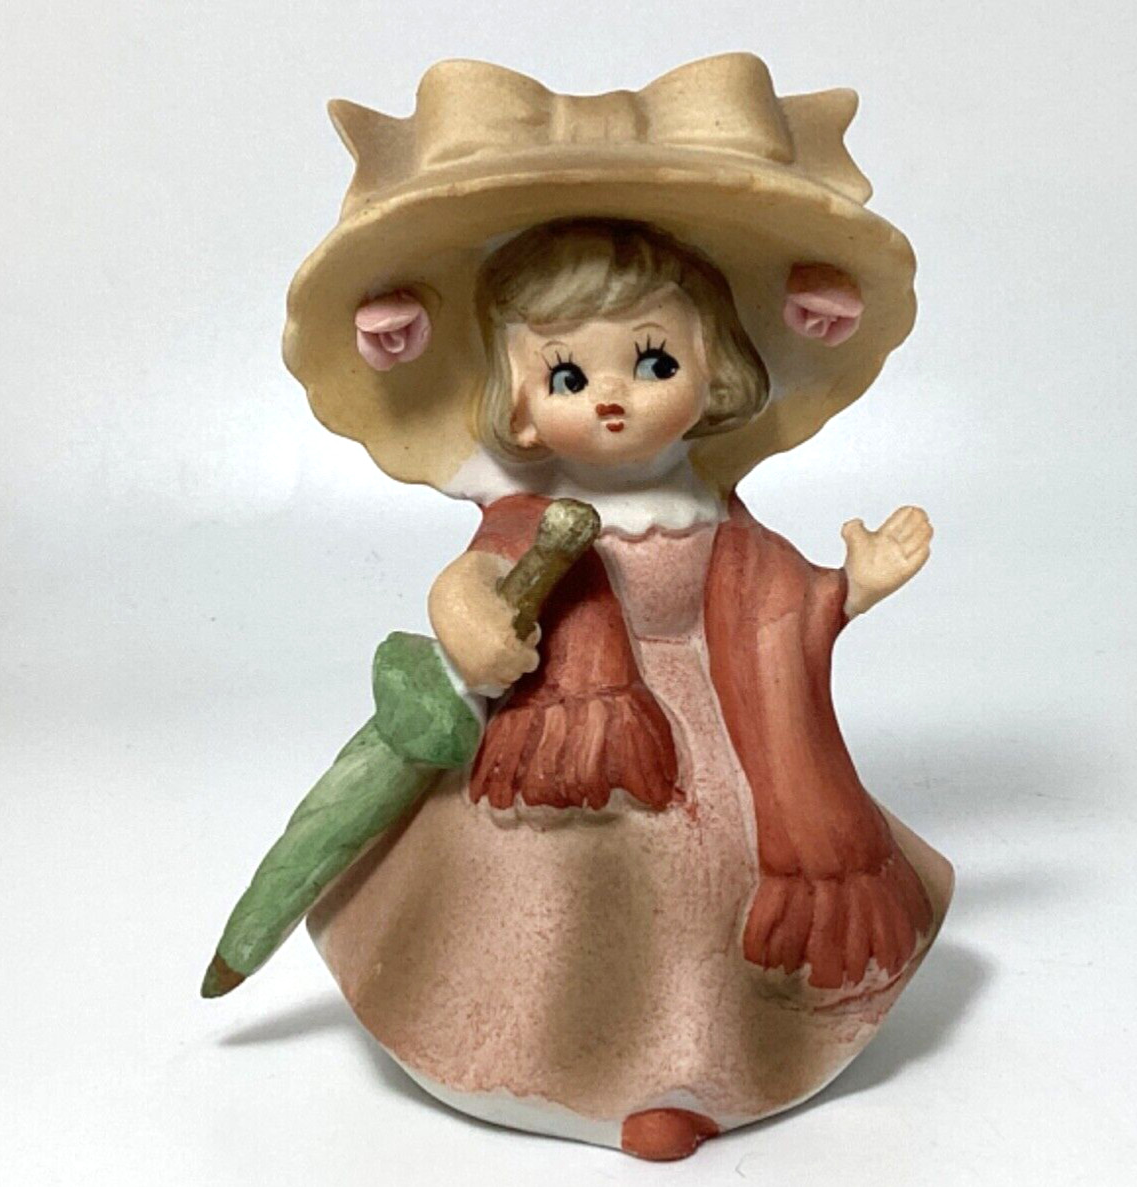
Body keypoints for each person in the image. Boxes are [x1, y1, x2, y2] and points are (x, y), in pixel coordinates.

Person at [286, 54, 953, 1161]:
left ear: (712, 368)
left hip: (728, 725)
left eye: (650, 359)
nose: (611, 397)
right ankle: (526, 1054)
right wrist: (471, 622)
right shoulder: (530, 511)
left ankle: (685, 1069)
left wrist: (850, 588)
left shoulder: (709, 512)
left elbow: (775, 604)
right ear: (518, 403)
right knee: (574, 876)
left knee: (699, 881)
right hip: (568, 727)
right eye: (567, 376)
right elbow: (475, 578)